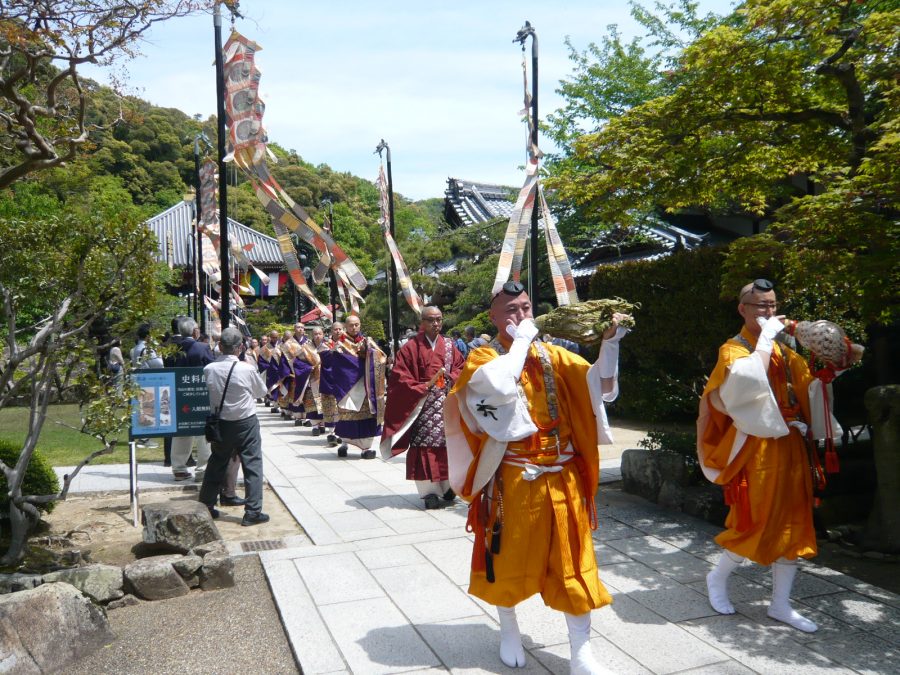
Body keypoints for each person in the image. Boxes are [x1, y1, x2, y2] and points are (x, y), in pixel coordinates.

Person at [444, 281, 629, 673]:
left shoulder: (553, 355)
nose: (520, 316)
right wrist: (519, 343)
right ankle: (509, 629)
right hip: (512, 478)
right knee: (505, 556)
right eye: (510, 310)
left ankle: (581, 650)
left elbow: (601, 389)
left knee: (573, 560)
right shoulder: (482, 356)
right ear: (493, 317)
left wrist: (610, 344)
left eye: (525, 307)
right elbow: (497, 386)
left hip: (562, 475)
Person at [697, 279, 842, 634]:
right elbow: (742, 385)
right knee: (754, 521)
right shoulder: (733, 349)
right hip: (756, 448)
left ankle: (780, 604)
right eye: (760, 305)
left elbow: (808, 385)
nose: (768, 312)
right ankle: (717, 577)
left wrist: (831, 365)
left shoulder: (782, 350)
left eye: (772, 305)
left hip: (792, 445)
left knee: (794, 524)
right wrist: (765, 339)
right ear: (742, 308)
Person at [382, 306, 465, 509]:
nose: (435, 324)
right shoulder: (411, 347)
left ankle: (447, 487)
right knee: (425, 447)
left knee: (448, 446)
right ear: (422, 322)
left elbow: (461, 368)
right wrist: (423, 387)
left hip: (446, 403)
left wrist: (450, 377)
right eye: (430, 320)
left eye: (438, 320)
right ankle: (429, 492)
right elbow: (399, 377)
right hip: (422, 405)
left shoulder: (449, 345)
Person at [199, 327, 269, 526]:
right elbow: (260, 392)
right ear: (240, 348)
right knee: (252, 464)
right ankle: (253, 511)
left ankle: (206, 504)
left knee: (217, 462)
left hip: (220, 422)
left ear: (220, 346)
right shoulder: (246, 369)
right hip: (245, 420)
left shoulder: (209, 369)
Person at [321, 315, 387, 459]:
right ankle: (344, 443)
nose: (354, 328)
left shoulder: (367, 341)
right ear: (346, 326)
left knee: (367, 415)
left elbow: (381, 357)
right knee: (348, 416)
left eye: (356, 325)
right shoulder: (339, 344)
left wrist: (369, 353)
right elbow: (335, 363)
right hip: (347, 388)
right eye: (351, 325)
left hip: (366, 386)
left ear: (360, 325)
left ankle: (366, 447)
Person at [171, 317, 216, 482]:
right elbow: (212, 369)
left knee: (181, 431)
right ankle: (202, 470)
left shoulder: (171, 349)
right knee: (204, 433)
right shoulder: (203, 347)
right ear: (195, 331)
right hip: (201, 395)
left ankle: (179, 468)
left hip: (178, 395)